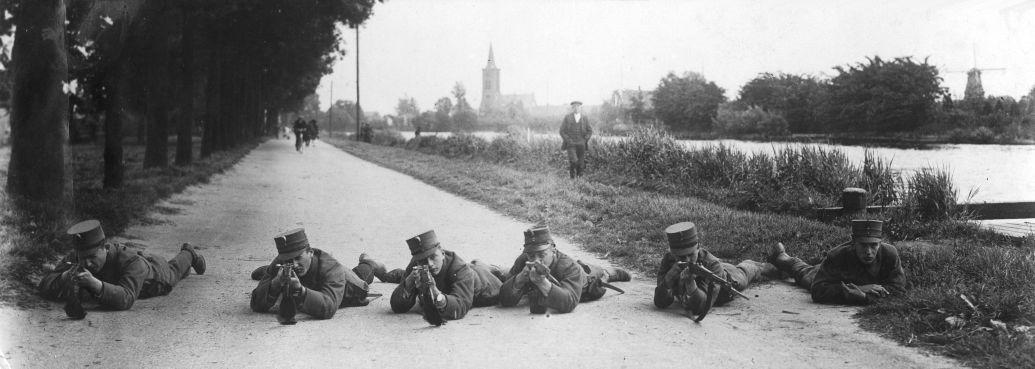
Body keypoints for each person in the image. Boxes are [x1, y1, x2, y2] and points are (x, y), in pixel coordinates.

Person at [38, 220, 206, 312]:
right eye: (82, 258)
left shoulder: (132, 262)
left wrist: (95, 284)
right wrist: (65, 276)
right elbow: (44, 283)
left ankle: (189, 253)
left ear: (105, 247)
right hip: (134, 265)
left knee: (174, 271)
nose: (87, 263)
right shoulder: (79, 256)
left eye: (92, 257)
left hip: (153, 275)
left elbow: (126, 299)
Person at [369, 230, 503, 322]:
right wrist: (409, 283)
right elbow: (397, 307)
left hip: (484, 282)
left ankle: (492, 267)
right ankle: (385, 273)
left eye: (433, 257)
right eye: (422, 260)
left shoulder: (461, 269)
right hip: (454, 276)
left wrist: (436, 293)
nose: (430, 264)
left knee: (503, 274)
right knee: (405, 275)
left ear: (442, 253)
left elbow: (459, 308)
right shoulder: (417, 264)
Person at [653, 222, 777, 319]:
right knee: (717, 263)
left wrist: (690, 283)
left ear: (699, 247)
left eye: (691, 255)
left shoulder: (712, 265)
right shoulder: (668, 259)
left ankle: (773, 265)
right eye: (680, 257)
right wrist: (668, 280)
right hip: (713, 264)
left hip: (729, 280)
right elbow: (660, 302)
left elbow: (701, 308)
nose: (687, 260)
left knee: (747, 270)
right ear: (672, 253)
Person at [768, 219, 906, 305]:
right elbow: (818, 291)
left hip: (835, 277)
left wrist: (864, 297)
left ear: (880, 243)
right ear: (853, 242)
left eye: (873, 245)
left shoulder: (890, 254)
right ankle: (782, 258)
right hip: (826, 275)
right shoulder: (837, 255)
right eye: (863, 245)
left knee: (809, 269)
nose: (868, 251)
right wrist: (860, 289)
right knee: (806, 272)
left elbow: (899, 291)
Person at [499, 224, 630, 314]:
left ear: (553, 249)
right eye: (531, 255)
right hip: (564, 278)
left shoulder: (568, 266)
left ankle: (610, 272)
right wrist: (519, 279)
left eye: (541, 255)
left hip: (585, 284)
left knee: (596, 274)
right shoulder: (523, 260)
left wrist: (542, 283)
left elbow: (570, 302)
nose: (536, 260)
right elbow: (504, 297)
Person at [250, 228, 376, 319]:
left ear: (310, 252)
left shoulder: (332, 269)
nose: (293, 264)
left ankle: (368, 262)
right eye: (288, 260)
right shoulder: (280, 261)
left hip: (350, 287)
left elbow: (329, 308)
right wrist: (275, 283)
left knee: (361, 274)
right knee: (265, 274)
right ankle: (268, 271)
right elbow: (255, 303)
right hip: (316, 279)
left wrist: (301, 291)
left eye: (298, 258)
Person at [559, 100, 593, 178]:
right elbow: (561, 131)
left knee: (581, 163)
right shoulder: (567, 117)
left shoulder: (584, 118)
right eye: (574, 107)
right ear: (572, 108)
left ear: (580, 108)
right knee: (574, 161)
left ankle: (579, 179)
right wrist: (568, 140)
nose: (576, 108)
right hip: (571, 143)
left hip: (581, 144)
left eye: (578, 106)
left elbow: (590, 130)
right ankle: (572, 177)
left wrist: (585, 140)